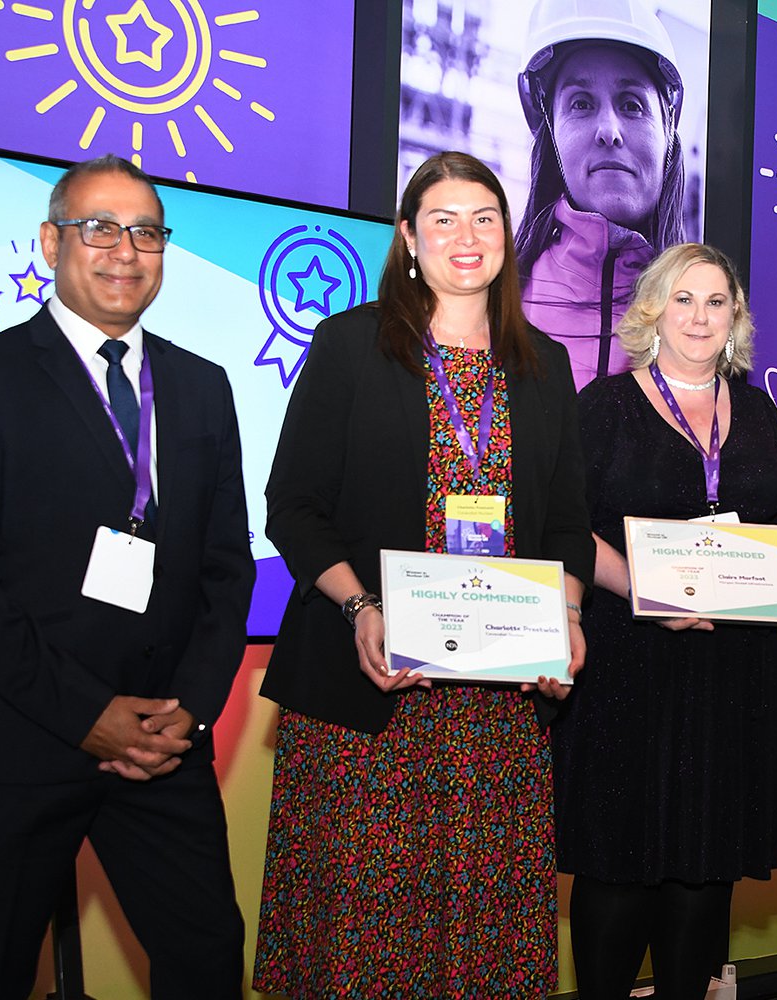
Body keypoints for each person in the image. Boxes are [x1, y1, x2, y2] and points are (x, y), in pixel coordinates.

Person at [0, 155, 253, 999]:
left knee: (207, 960)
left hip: (161, 747)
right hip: (18, 742)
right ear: (50, 242)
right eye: (100, 228)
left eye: (146, 232)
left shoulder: (201, 387)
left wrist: (191, 712)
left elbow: (224, 568)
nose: (125, 251)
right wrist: (88, 715)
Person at [253, 151, 594, 997]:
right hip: (371, 697)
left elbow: (565, 529)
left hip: (496, 715)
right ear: (408, 237)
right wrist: (360, 604)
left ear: (509, 238)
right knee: (361, 949)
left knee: (482, 953)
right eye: (442, 218)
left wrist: (571, 619)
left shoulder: (546, 368)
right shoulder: (350, 345)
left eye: (484, 217)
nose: (465, 236)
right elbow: (293, 506)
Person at [552, 243, 777, 999]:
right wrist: (643, 588)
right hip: (629, 667)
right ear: (652, 311)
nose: (700, 316)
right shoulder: (603, 407)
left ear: (736, 316)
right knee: (619, 864)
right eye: (684, 299)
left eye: (716, 301)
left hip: (736, 675)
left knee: (708, 867)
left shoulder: (760, 407)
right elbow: (565, 525)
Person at [515, 0, 689, 389]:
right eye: (581, 103)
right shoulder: (493, 304)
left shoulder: (711, 315)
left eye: (631, 104)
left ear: (668, 127)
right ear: (552, 132)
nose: (608, 130)